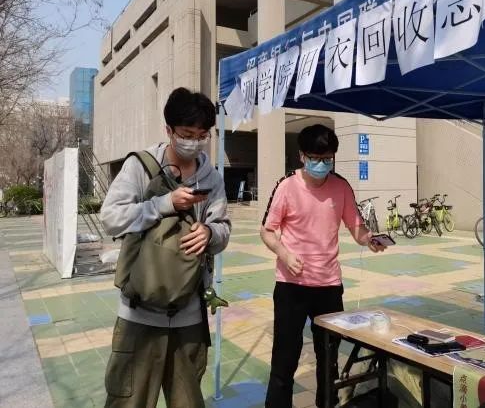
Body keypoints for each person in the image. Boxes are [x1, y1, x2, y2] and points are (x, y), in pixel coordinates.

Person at [100, 87, 231, 408]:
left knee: (187, 402)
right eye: (186, 134)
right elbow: (111, 218)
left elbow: (224, 228)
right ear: (168, 130)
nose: (194, 143)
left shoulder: (211, 178)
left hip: (189, 313)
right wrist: (164, 204)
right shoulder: (141, 166)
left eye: (202, 136)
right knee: (128, 402)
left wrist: (210, 233)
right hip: (139, 313)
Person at [261, 124, 386, 408]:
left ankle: (326, 404)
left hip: (329, 286)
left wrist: (370, 240)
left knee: (328, 359)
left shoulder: (341, 186)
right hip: (291, 287)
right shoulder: (286, 186)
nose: (321, 165)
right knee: (284, 358)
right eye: (315, 158)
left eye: (327, 159)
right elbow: (267, 231)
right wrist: (284, 254)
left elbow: (356, 227)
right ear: (301, 156)